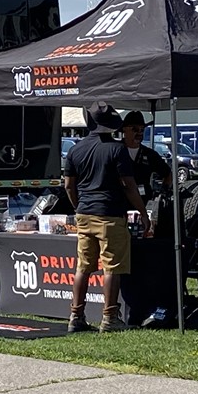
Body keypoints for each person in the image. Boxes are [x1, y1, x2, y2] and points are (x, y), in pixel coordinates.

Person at [63, 101, 150, 333]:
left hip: (84, 213)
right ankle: (110, 317)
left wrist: (78, 206)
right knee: (112, 267)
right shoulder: (117, 149)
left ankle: (75, 316)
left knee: (83, 267)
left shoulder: (75, 149)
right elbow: (129, 185)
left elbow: (69, 186)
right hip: (110, 214)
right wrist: (143, 212)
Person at [120, 110, 172, 206]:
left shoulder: (150, 154)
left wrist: (163, 192)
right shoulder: (114, 151)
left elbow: (168, 174)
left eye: (142, 129)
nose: (139, 133)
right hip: (118, 204)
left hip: (143, 203)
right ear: (124, 129)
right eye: (135, 129)